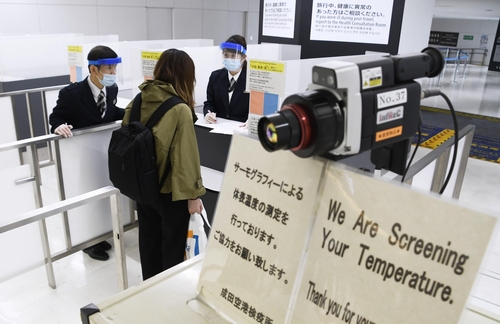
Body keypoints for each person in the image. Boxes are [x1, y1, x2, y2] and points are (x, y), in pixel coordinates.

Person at [122, 49, 206, 280]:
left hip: (142, 187)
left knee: (148, 241)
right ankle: (168, 294)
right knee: (172, 247)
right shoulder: (180, 109)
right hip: (170, 193)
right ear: (187, 76)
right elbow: (185, 159)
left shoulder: (137, 99)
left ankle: (149, 287)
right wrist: (193, 196)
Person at [49, 45, 124, 261]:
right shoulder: (70, 94)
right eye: (109, 69)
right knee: (87, 197)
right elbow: (56, 117)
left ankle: (99, 233)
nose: (113, 73)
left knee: (102, 193)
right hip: (82, 156)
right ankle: (88, 242)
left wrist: (132, 112)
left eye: (114, 68)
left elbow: (108, 112)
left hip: (103, 152)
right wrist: (57, 126)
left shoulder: (112, 89)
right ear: (94, 69)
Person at [203, 35, 249, 124]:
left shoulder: (251, 80)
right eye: (226, 55)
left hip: (241, 129)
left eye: (233, 56)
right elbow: (209, 103)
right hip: (218, 126)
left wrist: (252, 121)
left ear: (243, 58)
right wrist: (208, 114)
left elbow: (257, 109)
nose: (228, 59)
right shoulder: (215, 76)